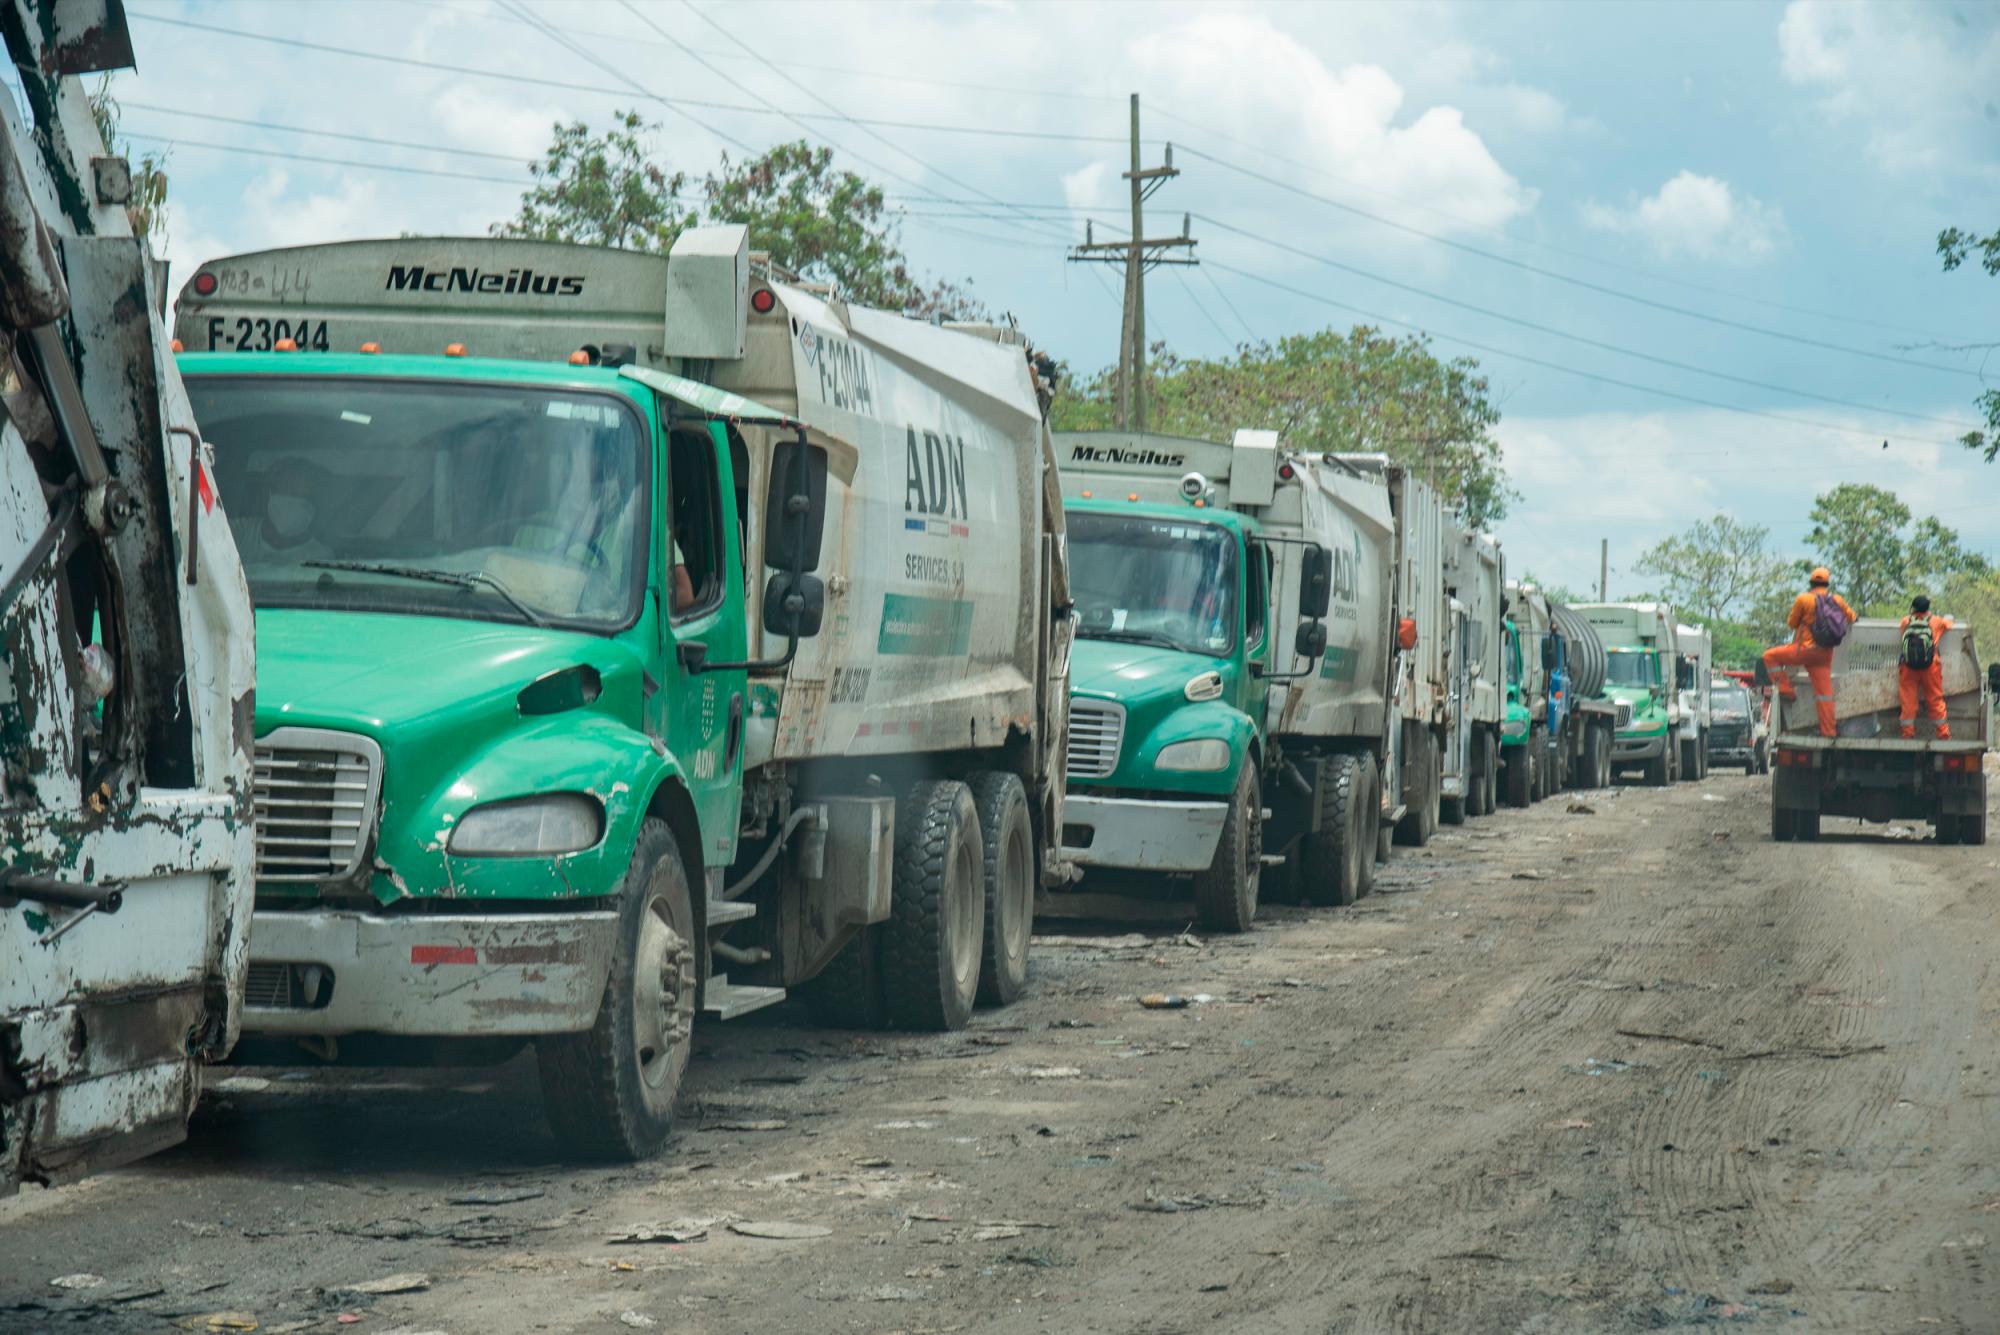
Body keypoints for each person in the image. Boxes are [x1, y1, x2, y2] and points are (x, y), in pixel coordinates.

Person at [1761, 567, 1854, 738]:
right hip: (1825, 655)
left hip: (1804, 650)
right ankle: (1829, 732)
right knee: (1825, 696)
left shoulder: (1804, 599)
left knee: (1769, 656)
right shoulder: (1837, 600)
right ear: (1827, 583)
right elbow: (1852, 617)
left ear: (1811, 583)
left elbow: (1792, 623)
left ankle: (1785, 689)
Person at [1897, 594, 1952, 740]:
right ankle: (1943, 733)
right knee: (1935, 700)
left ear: (1913, 608)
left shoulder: (1905, 621)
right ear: (1928, 608)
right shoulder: (1936, 621)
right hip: (1931, 667)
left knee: (1908, 701)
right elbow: (1948, 625)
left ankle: (1907, 733)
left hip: (1908, 667)